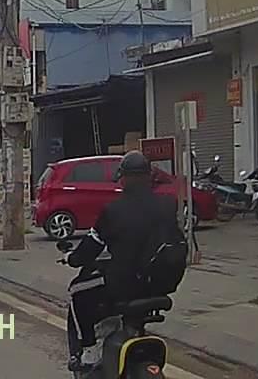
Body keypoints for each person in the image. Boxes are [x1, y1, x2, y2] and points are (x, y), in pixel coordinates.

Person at [64, 151, 186, 371]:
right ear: (149, 176)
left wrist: (72, 258)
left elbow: (89, 249)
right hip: (160, 285)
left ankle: (89, 351)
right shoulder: (168, 204)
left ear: (124, 178)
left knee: (76, 291)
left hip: (124, 285)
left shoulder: (113, 211)